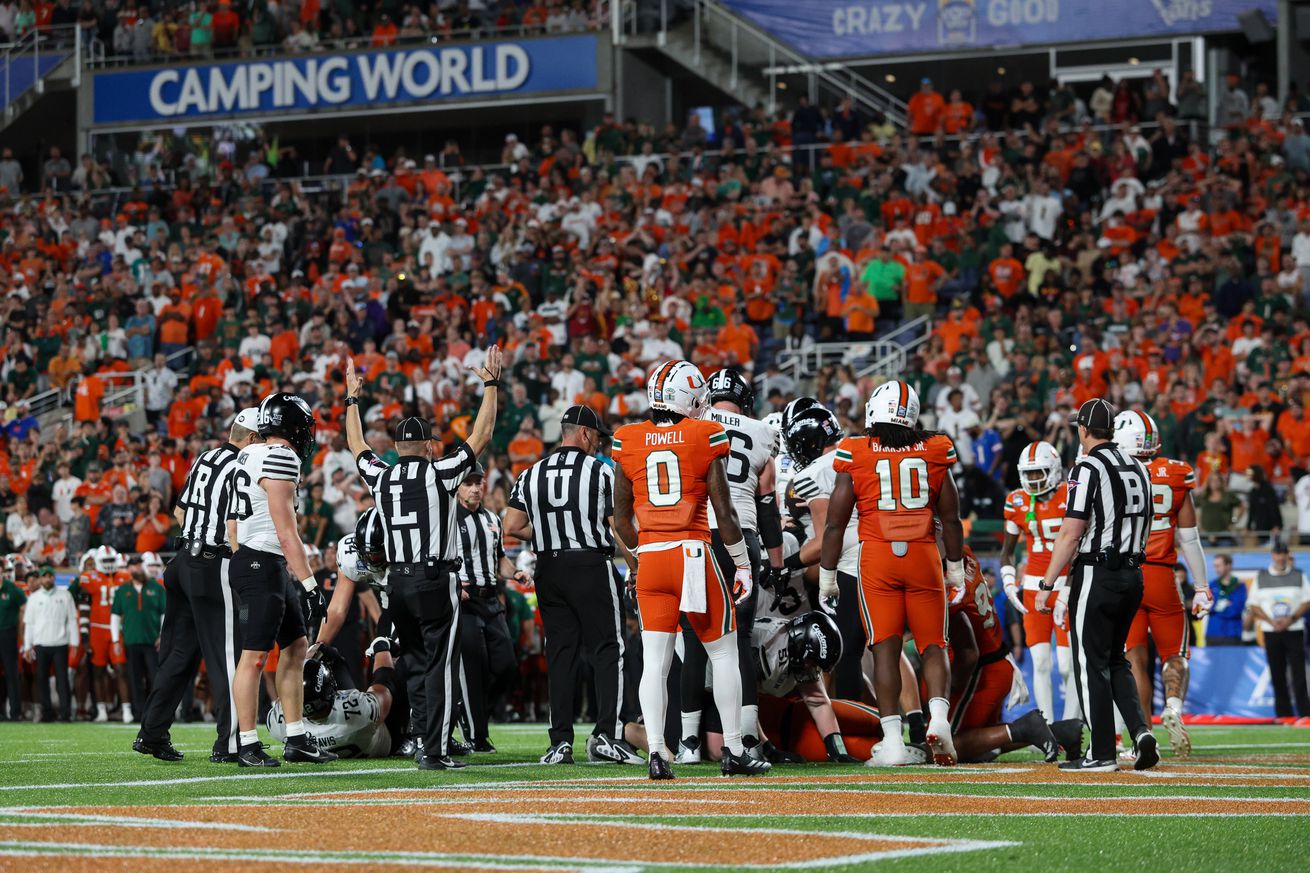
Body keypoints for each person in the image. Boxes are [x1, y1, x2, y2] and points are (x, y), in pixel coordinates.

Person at [612, 360, 770, 779]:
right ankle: (734, 750)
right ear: (691, 398)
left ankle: (659, 753)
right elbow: (725, 510)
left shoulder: (628, 438)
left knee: (656, 663)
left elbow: (619, 517)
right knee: (723, 651)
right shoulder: (704, 434)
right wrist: (741, 563)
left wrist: (638, 555)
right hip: (692, 555)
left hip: (652, 556)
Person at [345, 349, 501, 771]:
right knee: (441, 665)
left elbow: (355, 443)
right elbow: (481, 435)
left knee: (412, 663)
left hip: (397, 582)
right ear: (430, 446)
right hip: (435, 579)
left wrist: (352, 400)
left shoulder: (381, 474)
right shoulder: (442, 470)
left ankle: (418, 739)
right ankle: (435, 748)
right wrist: (490, 385)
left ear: (395, 447)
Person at [820, 380, 965, 767]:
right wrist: (954, 568)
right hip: (922, 556)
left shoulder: (856, 450)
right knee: (934, 644)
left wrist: (827, 575)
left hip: (878, 558)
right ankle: (938, 719)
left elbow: (835, 524)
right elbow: (950, 517)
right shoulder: (935, 448)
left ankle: (894, 742)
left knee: (885, 648)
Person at [504, 404, 640, 765]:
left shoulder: (531, 473)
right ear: (583, 433)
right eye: (596, 436)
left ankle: (560, 742)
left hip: (550, 568)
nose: (599, 443)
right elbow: (619, 526)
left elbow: (512, 526)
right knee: (609, 650)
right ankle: (606, 735)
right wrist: (637, 566)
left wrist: (552, 533)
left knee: (560, 655)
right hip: (590, 566)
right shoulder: (602, 471)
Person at [1035, 398, 1157, 773]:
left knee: (1090, 661)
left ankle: (1102, 752)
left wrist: (1047, 582)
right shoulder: (1139, 466)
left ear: (1084, 429)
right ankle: (1140, 732)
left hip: (1098, 572)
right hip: (1133, 573)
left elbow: (1071, 532)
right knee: (1115, 658)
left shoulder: (1088, 466)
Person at [135, 408, 259, 763]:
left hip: (181, 562)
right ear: (250, 438)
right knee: (228, 658)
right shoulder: (242, 465)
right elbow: (236, 522)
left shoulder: (206, 457)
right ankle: (232, 741)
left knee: (178, 654)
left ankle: (152, 732)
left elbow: (179, 512)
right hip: (212, 564)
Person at [676, 368, 782, 764]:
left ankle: (689, 744)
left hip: (699, 537)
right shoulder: (761, 432)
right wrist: (774, 562)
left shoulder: (692, 424)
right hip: (744, 537)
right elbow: (769, 506)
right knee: (739, 640)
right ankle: (748, 739)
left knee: (694, 639)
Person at [228, 393, 337, 767]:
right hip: (263, 562)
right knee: (255, 657)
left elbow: (234, 521)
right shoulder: (281, 456)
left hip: (257, 559)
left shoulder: (247, 454)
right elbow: (286, 531)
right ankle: (246, 742)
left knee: (295, 646)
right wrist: (310, 585)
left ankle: (296, 736)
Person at [1113, 409, 1212, 758]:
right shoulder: (1175, 473)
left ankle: (1142, 733)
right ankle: (1172, 705)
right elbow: (1190, 538)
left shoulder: (1112, 472)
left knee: (1134, 657)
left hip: (1124, 574)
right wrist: (1201, 586)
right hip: (1161, 575)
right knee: (1175, 652)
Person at [999, 440, 1078, 722]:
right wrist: (1009, 583)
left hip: (1067, 585)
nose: (1034, 479)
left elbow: (1079, 545)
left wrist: (1068, 590)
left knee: (1069, 665)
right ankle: (1047, 726)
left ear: (1055, 470)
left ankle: (1071, 725)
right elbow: (1007, 552)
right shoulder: (1016, 500)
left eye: (1040, 472)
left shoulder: (1071, 495)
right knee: (1041, 662)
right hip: (1033, 587)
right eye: (1029, 473)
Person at [453, 463, 529, 754]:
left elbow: (499, 560)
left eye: (478, 483)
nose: (474, 488)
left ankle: (473, 713)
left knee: (507, 665)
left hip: (490, 599)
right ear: (458, 487)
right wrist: (453, 585)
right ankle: (476, 735)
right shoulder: (447, 519)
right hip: (465, 600)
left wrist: (515, 573)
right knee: (473, 667)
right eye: (468, 483)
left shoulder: (492, 520)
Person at [266, 639, 407, 758]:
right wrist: (381, 647)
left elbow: (289, 695)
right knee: (398, 676)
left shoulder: (279, 723)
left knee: (331, 656)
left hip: (348, 736)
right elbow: (383, 688)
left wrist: (310, 659)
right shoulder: (355, 710)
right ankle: (409, 736)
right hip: (385, 740)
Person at [314, 509, 385, 692]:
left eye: (375, 554)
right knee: (385, 673)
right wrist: (318, 646)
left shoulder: (407, 548)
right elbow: (337, 608)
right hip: (383, 611)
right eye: (366, 553)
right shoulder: (350, 555)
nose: (370, 558)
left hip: (407, 604)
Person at [1247, 542, 1310, 718]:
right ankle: (1283, 713)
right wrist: (1272, 621)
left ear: (1287, 555)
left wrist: (1290, 619)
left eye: (1284, 554)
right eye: (1278, 554)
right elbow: (1254, 604)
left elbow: (1306, 601)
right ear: (1273, 555)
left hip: (1294, 630)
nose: (1281, 557)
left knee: (1299, 673)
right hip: (1271, 631)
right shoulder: (1261, 577)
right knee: (1277, 672)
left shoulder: (1299, 576)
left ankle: (1305, 713)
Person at [70, 545, 128, 722]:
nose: (110, 564)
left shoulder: (125, 577)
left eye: (112, 560)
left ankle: (126, 709)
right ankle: (101, 709)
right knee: (98, 671)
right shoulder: (88, 578)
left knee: (121, 669)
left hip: (117, 629)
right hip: (97, 629)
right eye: (106, 561)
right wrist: (85, 633)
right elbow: (83, 604)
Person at [110, 555, 165, 724]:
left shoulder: (156, 588)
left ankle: (157, 713)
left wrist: (162, 635)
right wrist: (115, 640)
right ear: (129, 569)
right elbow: (115, 616)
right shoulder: (122, 590)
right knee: (134, 678)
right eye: (133, 566)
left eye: (139, 565)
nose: (137, 569)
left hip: (152, 642)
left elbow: (164, 613)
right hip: (131, 640)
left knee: (155, 678)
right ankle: (138, 713)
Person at [22, 565, 79, 722]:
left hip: (60, 643)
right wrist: (27, 646)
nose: (48, 579)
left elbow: (72, 620)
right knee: (42, 680)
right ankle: (46, 713)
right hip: (41, 643)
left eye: (50, 576)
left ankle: (65, 713)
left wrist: (74, 642)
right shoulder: (34, 598)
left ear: (54, 577)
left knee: (62, 680)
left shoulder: (65, 595)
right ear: (41, 578)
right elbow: (30, 624)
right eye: (45, 576)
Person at [0, 560, 26, 720]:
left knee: (12, 673)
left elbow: (24, 607)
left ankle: (15, 712)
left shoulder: (12, 589)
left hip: (8, 634)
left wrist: (21, 630)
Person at [1204, 554, 1247, 646]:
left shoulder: (1239, 586)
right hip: (1213, 633)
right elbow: (1206, 606)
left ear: (1228, 566)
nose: (1216, 569)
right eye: (1215, 566)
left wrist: (1216, 607)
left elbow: (1236, 609)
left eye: (1219, 566)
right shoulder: (1212, 585)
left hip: (1232, 633)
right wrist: (1224, 605)